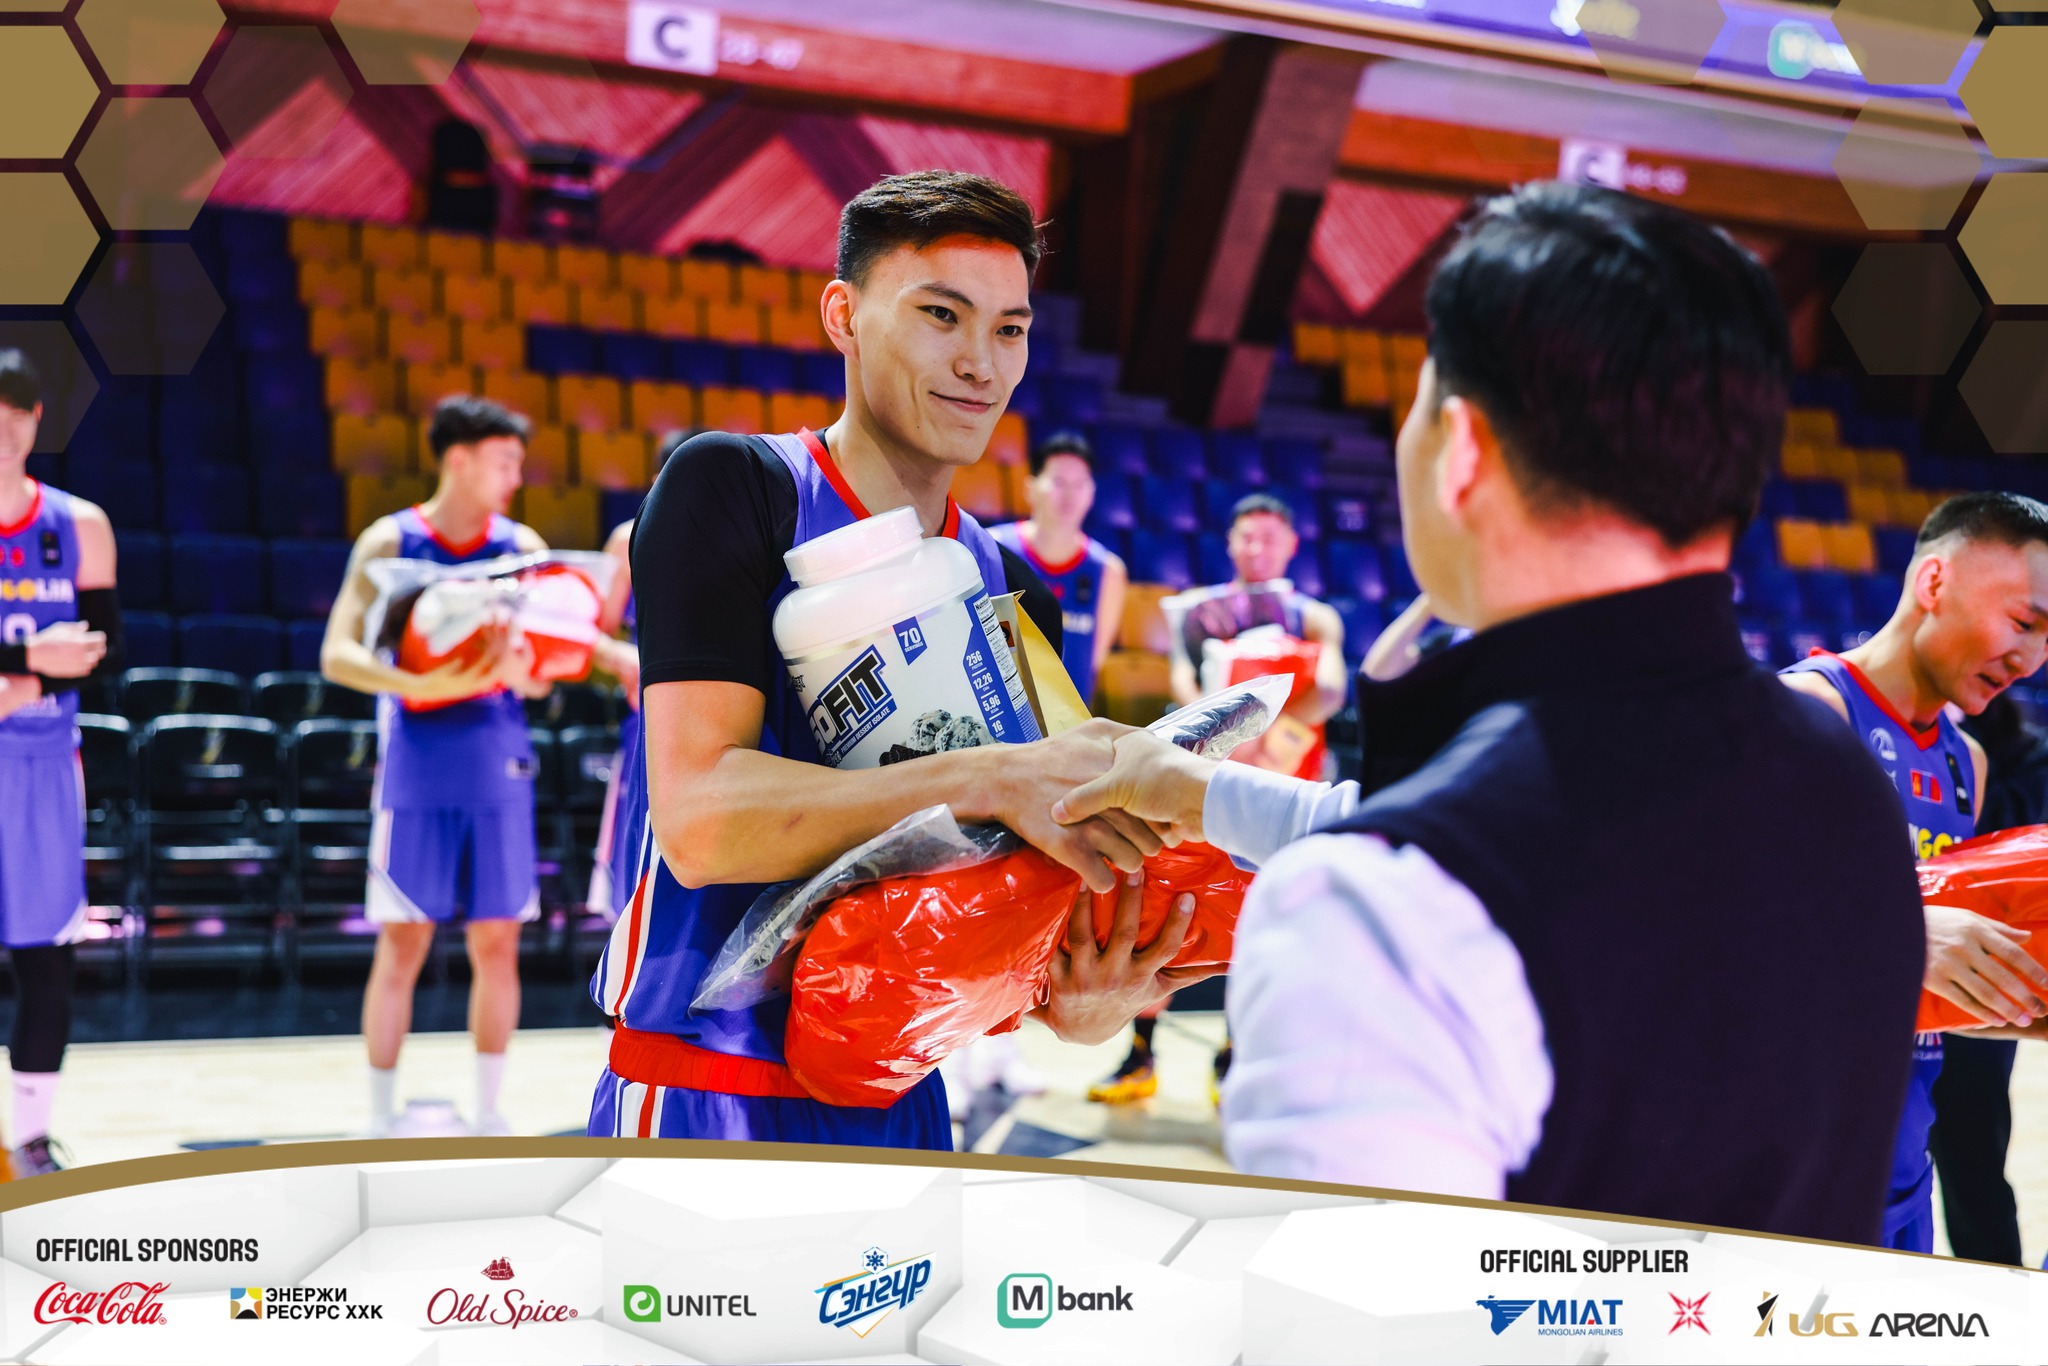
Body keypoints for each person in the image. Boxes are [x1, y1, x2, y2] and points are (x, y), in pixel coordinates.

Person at [1052, 182, 1929, 1242]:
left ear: (1460, 448)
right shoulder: (1851, 784)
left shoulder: (1373, 916)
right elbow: (1566, 859)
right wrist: (1201, 792)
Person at [589, 170, 1208, 1146]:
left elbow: (999, 896)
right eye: (940, 315)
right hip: (705, 1089)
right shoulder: (734, 487)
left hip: (904, 1091)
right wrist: (988, 776)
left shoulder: (1016, 588)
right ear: (843, 315)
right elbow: (702, 824)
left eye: (1009, 329)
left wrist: (1076, 1002)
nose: (979, 362)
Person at [322, 395, 631, 1138]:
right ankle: (379, 1115)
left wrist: (518, 666)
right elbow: (338, 655)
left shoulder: (521, 546)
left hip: (499, 759)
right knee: (403, 941)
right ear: (458, 460)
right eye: (504, 462)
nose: (516, 478)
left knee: (498, 941)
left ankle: (491, 1111)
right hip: (416, 763)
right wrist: (420, 683)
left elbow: (541, 676)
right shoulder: (390, 541)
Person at [1781, 492, 2048, 1253]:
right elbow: (1715, 934)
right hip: (1794, 1179)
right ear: (1933, 582)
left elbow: (1918, 982)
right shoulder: (1806, 711)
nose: (2031, 659)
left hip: (1903, 1175)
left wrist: (2022, 1001)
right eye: (2023, 622)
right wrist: (1899, 933)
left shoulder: (1969, 764)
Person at [1087, 492, 1346, 1107]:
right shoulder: (1199, 612)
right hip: (1202, 781)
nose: (1257, 548)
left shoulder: (1315, 617)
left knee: (1256, 929)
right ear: (1230, 542)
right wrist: (1227, 728)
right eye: (1247, 536)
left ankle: (1235, 1060)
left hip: (1278, 788)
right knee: (1163, 911)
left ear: (1291, 545)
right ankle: (1140, 1056)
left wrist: (1273, 741)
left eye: (1270, 537)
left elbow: (1332, 690)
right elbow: (1183, 680)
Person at [0, 349, 120, 1176]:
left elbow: (106, 653)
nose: (4, 429)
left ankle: (30, 1139)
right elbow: (57, 653)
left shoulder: (81, 525)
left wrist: (24, 681)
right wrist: (34, 658)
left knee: (46, 954)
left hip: (45, 762)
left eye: (17, 412)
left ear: (38, 418)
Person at [1934, 693, 2048, 1264]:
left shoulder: (2019, 755)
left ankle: (1997, 1284)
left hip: (1994, 976)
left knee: (1973, 1157)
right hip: (1912, 977)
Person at [987, 431, 1126, 707]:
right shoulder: (992, 548)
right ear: (1030, 488)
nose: (1070, 495)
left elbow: (1093, 660)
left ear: (1092, 493)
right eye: (1059, 482)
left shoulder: (1109, 571)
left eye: (1080, 484)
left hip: (1068, 719)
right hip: (1000, 711)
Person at [584, 509, 644, 922]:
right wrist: (625, 658)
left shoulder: (746, 518)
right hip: (649, 721)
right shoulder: (627, 539)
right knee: (629, 887)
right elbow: (590, 632)